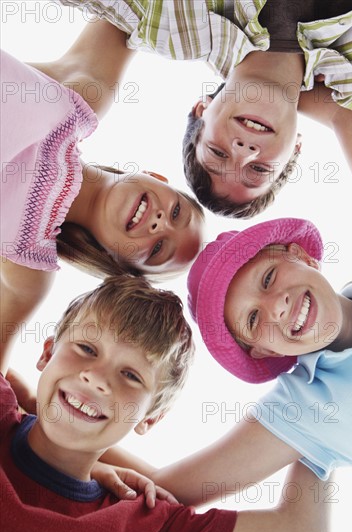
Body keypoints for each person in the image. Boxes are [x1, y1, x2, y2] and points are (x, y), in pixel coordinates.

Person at [0, 275, 332, 532]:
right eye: (86, 349)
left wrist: (323, 381)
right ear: (46, 353)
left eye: (130, 376)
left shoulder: (144, 522)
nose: (97, 378)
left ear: (150, 418)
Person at [92, 217, 352, 513]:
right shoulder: (302, 409)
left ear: (300, 255)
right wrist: (39, 415)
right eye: (253, 319)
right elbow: (162, 488)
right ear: (263, 352)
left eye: (268, 278)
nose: (277, 306)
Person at [0, 20, 204, 365]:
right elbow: (138, 13)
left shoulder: (29, 263)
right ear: (156, 176)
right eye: (175, 213)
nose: (159, 224)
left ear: (118, 263)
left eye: (157, 249)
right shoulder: (84, 98)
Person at [57, 0, 352, 217]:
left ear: (201, 109)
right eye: (258, 170)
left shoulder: (175, 25)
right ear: (296, 148)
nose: (244, 151)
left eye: (218, 153)